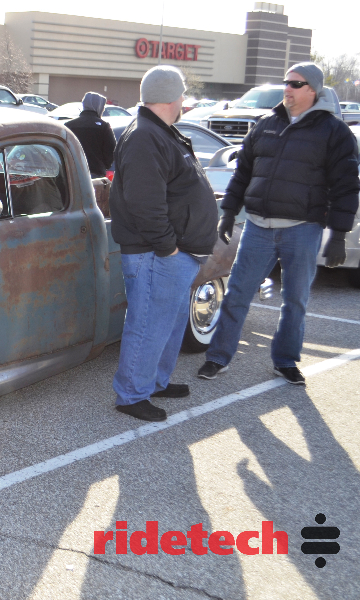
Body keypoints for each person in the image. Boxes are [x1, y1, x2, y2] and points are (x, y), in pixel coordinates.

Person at [197, 62, 359, 385]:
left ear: (313, 90)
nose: (287, 88)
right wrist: (228, 212)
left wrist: (339, 234)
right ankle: (217, 356)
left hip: (303, 229)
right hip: (257, 227)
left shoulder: (335, 132)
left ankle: (285, 361)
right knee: (237, 294)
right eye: (286, 82)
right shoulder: (266, 124)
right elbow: (243, 172)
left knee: (295, 301)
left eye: (295, 84)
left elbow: (346, 186)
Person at [109, 65, 218, 422]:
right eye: (183, 93)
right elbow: (145, 202)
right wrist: (168, 247)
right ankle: (131, 394)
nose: (184, 100)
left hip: (171, 253)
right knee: (148, 324)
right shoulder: (145, 137)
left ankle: (154, 381)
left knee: (167, 323)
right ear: (172, 96)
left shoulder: (160, 132)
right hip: (157, 254)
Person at [64, 92, 116, 178]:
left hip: (73, 174)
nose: (103, 110)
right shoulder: (104, 126)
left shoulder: (69, 125)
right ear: (98, 106)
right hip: (96, 173)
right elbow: (111, 150)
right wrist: (103, 165)